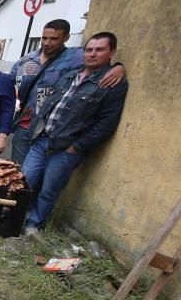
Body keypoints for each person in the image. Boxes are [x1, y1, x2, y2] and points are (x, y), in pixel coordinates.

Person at [21, 32, 128, 234]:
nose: (92, 54)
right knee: (24, 181)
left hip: (67, 147)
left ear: (111, 52)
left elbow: (107, 123)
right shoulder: (71, 74)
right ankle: (13, 218)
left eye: (99, 50)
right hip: (42, 139)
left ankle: (33, 224)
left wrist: (77, 147)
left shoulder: (111, 82)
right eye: (89, 50)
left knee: (49, 189)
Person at [9, 18, 125, 166]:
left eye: (53, 39)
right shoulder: (28, 59)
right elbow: (9, 83)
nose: (47, 43)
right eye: (44, 38)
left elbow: (98, 61)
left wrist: (118, 67)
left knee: (39, 176)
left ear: (66, 38)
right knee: (17, 171)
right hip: (26, 124)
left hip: (52, 130)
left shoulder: (76, 56)